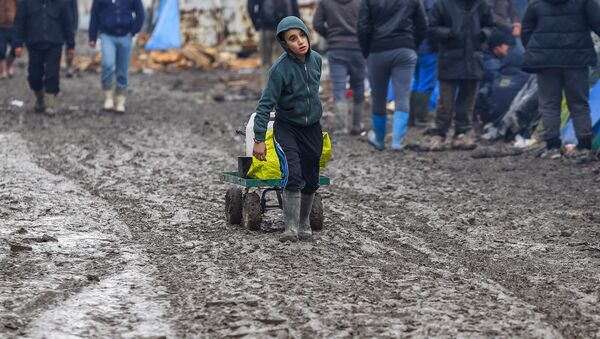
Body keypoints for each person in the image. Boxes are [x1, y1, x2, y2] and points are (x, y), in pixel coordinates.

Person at [252, 16, 323, 242]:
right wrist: (259, 138)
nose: (300, 41)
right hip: (287, 129)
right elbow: (264, 105)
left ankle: (304, 224)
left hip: (312, 128)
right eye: (293, 39)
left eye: (302, 35)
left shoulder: (317, 61)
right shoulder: (279, 70)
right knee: (293, 174)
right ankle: (290, 228)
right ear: (285, 44)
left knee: (311, 178)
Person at [521, 0, 600, 163]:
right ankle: (584, 146)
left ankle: (552, 147)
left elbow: (526, 31)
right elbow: (598, 24)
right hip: (577, 61)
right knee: (579, 104)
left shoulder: (536, 3)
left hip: (546, 63)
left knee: (549, 104)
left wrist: (538, 51)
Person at [357, 0, 428, 151]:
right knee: (402, 96)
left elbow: (363, 26)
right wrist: (411, 44)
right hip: (405, 49)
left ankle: (379, 140)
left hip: (378, 50)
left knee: (378, 97)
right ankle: (397, 142)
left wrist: (367, 50)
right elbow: (423, 25)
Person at [427, 0, 495, 151]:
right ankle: (439, 134)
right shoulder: (442, 4)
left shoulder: (480, 4)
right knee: (446, 101)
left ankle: (462, 134)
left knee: (467, 101)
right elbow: (431, 27)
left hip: (473, 58)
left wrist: (483, 34)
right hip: (450, 58)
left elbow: (490, 25)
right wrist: (448, 33)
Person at [313, 0, 365, 135]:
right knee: (359, 85)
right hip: (357, 47)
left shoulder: (325, 2)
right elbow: (367, 22)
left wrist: (330, 35)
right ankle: (357, 124)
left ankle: (343, 127)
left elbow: (317, 24)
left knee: (339, 87)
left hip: (336, 48)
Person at [13, 0, 75, 115]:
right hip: (34, 44)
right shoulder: (27, 3)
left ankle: (50, 103)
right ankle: (39, 97)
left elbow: (68, 24)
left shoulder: (61, 3)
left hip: (54, 44)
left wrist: (70, 45)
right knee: (34, 76)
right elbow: (19, 23)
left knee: (52, 74)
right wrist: (18, 44)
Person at [89, 0, 145, 113]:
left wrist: (133, 31)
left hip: (125, 36)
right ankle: (108, 96)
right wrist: (92, 36)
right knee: (107, 64)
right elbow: (94, 15)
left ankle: (120, 99)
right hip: (107, 35)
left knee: (122, 69)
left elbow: (140, 14)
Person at [247, 0, 300, 88]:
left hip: (265, 28)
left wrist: (257, 24)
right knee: (282, 61)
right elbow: (295, 7)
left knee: (265, 61)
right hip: (284, 28)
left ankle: (266, 89)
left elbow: (250, 6)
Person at [410, 0, 438, 126]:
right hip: (427, 47)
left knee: (415, 81)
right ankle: (421, 117)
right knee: (425, 82)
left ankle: (411, 116)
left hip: (412, 46)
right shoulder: (432, 4)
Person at [0, 0, 18, 79]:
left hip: (13, 26)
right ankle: (4, 71)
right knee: (1, 49)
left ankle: (8, 66)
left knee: (16, 47)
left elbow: (21, 7)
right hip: (1, 27)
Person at [65, 0, 78, 78]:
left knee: (69, 47)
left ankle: (69, 66)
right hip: (55, 23)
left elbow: (74, 9)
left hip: (69, 24)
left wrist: (75, 24)